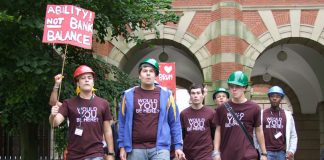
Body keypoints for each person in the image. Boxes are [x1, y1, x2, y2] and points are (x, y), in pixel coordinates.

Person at [117, 58, 186, 160]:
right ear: (139, 75)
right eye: (145, 71)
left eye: (151, 71)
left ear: (156, 75)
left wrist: (178, 146)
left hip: (160, 149)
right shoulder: (128, 95)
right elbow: (122, 123)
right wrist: (122, 146)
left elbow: (174, 122)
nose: (148, 74)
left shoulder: (166, 95)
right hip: (135, 148)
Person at [49, 65, 115, 160]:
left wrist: (110, 153)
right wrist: (52, 115)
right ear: (78, 83)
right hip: (74, 154)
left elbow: (107, 130)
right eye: (83, 78)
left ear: (93, 82)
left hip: (96, 153)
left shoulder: (103, 103)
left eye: (89, 78)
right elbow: (54, 123)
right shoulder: (69, 103)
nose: (87, 80)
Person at [213, 70, 267, 160]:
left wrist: (264, 153)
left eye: (238, 86)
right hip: (227, 154)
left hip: (248, 154)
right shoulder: (221, 108)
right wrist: (216, 152)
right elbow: (218, 130)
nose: (234, 89)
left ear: (245, 87)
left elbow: (259, 130)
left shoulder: (254, 107)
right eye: (231, 86)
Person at [180, 84, 216, 160]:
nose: (195, 96)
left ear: (203, 95)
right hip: (188, 154)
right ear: (190, 95)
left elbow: (215, 134)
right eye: (193, 93)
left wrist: (216, 152)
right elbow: (181, 135)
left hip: (206, 153)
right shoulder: (183, 114)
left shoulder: (211, 113)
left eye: (198, 93)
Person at [262, 86, 297, 160]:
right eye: (272, 96)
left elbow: (293, 135)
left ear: (281, 98)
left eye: (277, 96)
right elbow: (256, 134)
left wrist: (291, 150)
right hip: (266, 153)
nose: (275, 98)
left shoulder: (287, 115)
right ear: (269, 97)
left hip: (282, 153)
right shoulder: (262, 114)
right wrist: (260, 151)